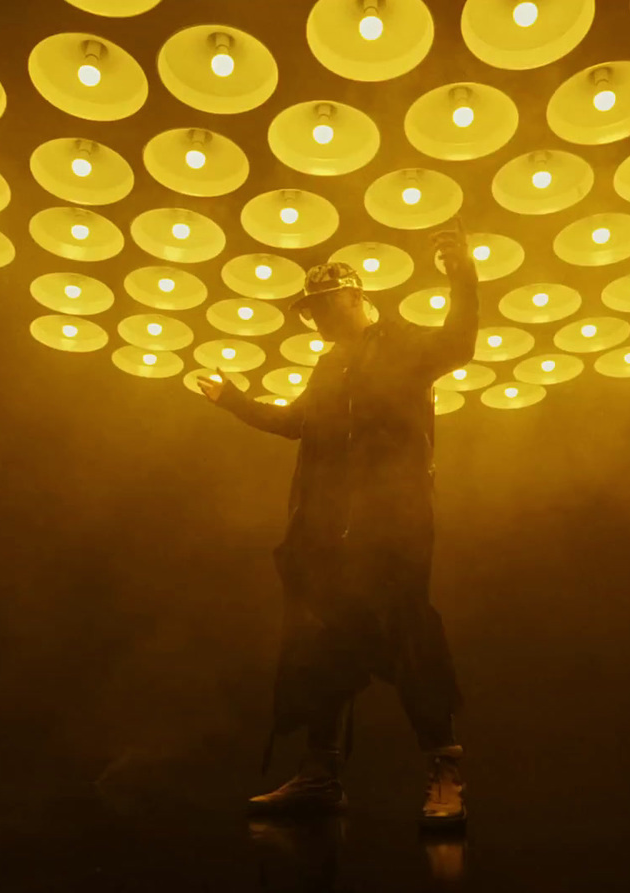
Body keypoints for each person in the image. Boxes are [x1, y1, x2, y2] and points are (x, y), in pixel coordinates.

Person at [198, 218, 478, 829]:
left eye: (324, 306)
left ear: (356, 299)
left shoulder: (405, 344)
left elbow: (460, 342)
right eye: (309, 311)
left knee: (408, 636)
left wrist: (462, 275)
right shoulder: (327, 367)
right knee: (318, 643)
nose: (316, 319)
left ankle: (445, 769)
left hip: (395, 526)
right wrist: (235, 401)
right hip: (327, 535)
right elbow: (297, 423)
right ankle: (321, 775)